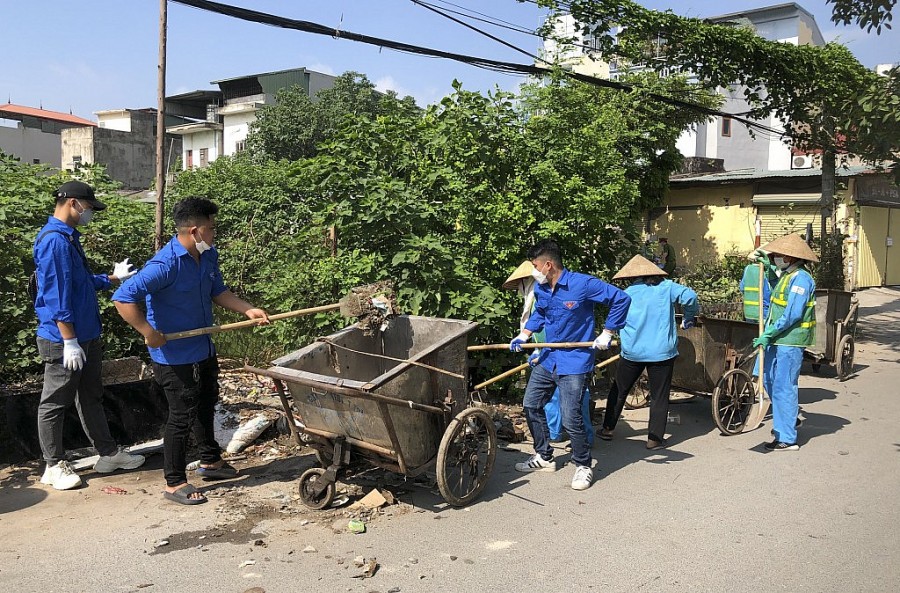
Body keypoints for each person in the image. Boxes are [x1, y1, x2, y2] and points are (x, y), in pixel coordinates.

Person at [112, 197, 270, 504]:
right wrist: (148, 332)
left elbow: (218, 291)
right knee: (181, 415)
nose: (215, 234)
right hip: (173, 355)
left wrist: (247, 309)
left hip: (202, 345)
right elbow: (122, 298)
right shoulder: (165, 265)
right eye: (211, 229)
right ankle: (174, 482)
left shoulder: (207, 255)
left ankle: (210, 461)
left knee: (207, 402)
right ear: (195, 230)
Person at [33, 180, 146, 491]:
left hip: (86, 334)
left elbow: (79, 282)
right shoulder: (54, 242)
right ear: (73, 203)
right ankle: (53, 464)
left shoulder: (69, 239)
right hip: (63, 339)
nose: (90, 214)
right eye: (89, 208)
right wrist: (68, 340)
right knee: (55, 402)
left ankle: (108, 453)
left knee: (91, 396)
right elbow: (57, 297)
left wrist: (112, 278)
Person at [509, 240, 630, 491]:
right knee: (531, 404)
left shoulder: (582, 284)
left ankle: (583, 464)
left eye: (535, 265)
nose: (534, 270)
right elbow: (540, 314)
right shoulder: (542, 289)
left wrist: (607, 332)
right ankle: (544, 456)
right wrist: (525, 335)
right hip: (549, 356)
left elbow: (621, 299)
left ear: (548, 264)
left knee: (571, 417)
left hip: (575, 360)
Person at [599, 255, 698, 450]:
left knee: (619, 389)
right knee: (659, 396)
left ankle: (608, 429)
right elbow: (691, 297)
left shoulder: (625, 293)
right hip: (661, 353)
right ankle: (654, 439)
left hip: (632, 352)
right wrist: (688, 318)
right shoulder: (667, 288)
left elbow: (615, 319)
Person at [502, 261, 593, 448]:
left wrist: (540, 350)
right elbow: (536, 324)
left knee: (570, 400)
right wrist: (530, 342)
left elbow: (550, 324)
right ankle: (557, 435)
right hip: (549, 352)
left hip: (563, 354)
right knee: (556, 398)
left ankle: (575, 440)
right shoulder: (535, 296)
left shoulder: (541, 293)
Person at [752, 234, 818, 452]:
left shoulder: (802, 279)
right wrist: (770, 270)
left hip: (790, 339)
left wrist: (769, 333)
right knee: (768, 379)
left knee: (784, 386)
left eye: (778, 256)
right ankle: (789, 418)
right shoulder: (787, 275)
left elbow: (792, 314)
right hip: (777, 337)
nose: (775, 258)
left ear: (790, 257)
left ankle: (787, 438)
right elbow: (777, 292)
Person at [739, 248, 779, 323]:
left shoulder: (748, 268)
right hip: (764, 313)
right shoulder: (771, 269)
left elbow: (742, 288)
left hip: (749, 312)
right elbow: (776, 289)